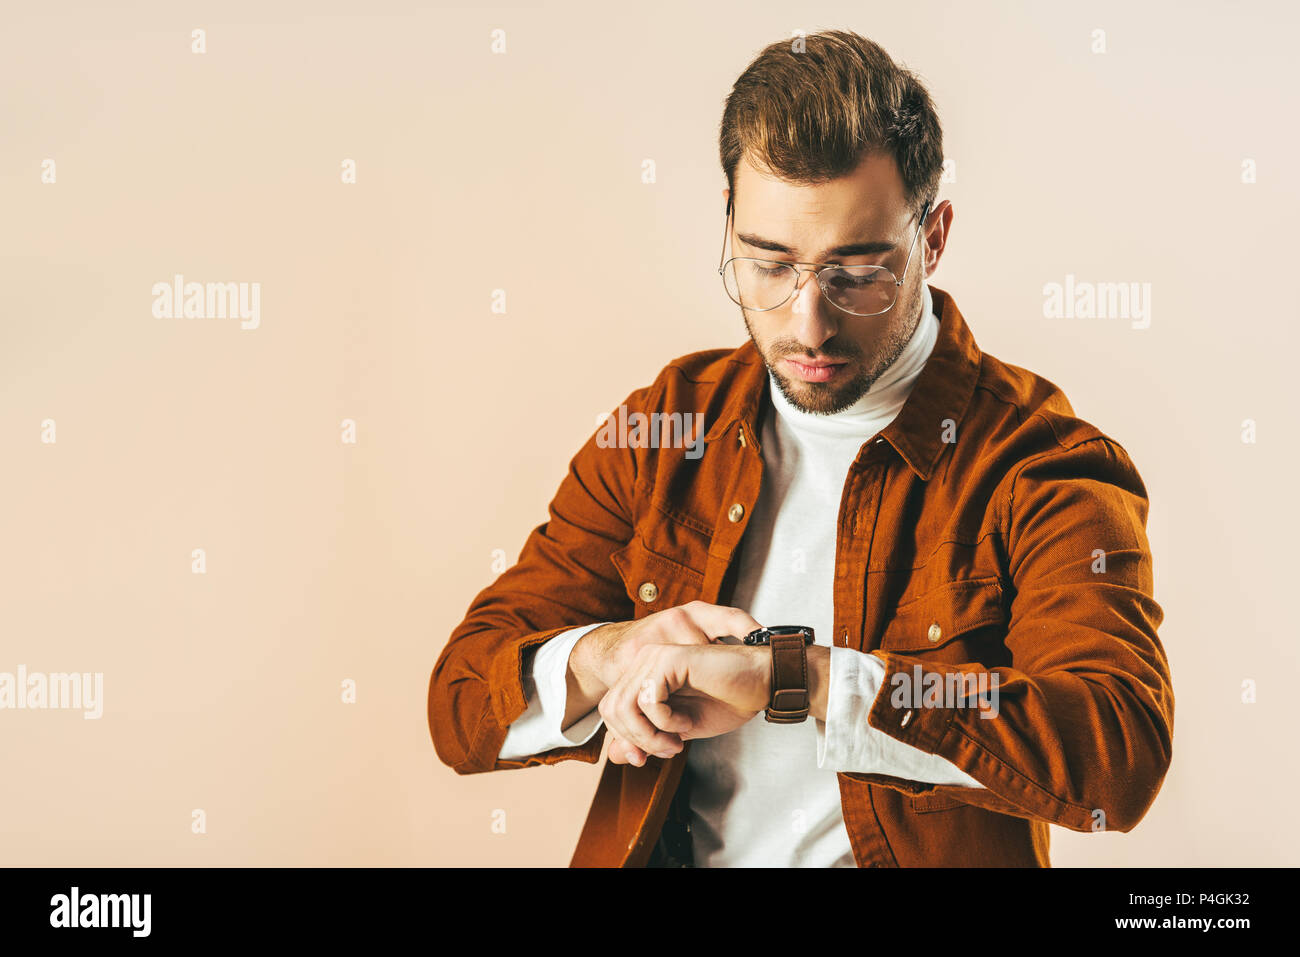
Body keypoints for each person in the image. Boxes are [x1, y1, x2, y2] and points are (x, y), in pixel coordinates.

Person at [427, 29, 1173, 867]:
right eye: (770, 264)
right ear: (729, 226)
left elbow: (1117, 751)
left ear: (933, 237)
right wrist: (610, 655)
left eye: (857, 272)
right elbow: (461, 702)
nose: (808, 322)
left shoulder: (1039, 462)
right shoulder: (667, 427)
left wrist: (803, 679)